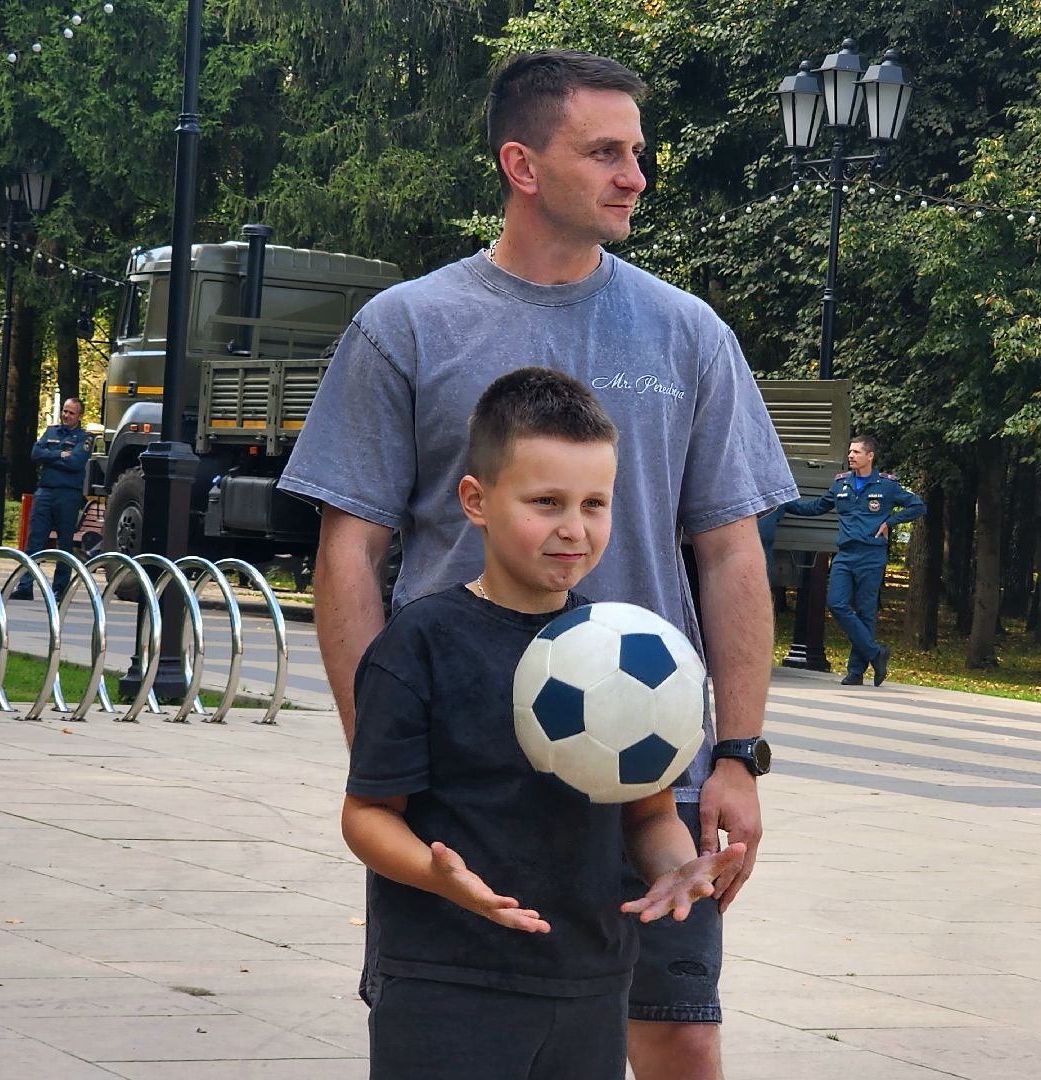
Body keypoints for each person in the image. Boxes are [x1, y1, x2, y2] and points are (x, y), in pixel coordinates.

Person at [279, 49, 796, 1079]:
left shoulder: (689, 334)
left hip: (650, 768)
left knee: (681, 1041)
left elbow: (731, 551)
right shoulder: (408, 329)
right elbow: (352, 551)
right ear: (522, 164)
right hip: (471, 782)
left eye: (636, 153)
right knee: (467, 1042)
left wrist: (737, 751)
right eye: (603, 152)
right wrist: (385, 754)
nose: (634, 176)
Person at [344, 368, 744, 1079]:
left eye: (595, 503)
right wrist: (440, 879)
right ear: (477, 500)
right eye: (546, 501)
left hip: (589, 980)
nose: (574, 527)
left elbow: (647, 815)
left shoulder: (628, 652)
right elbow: (367, 815)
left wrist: (676, 868)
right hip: (446, 980)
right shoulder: (421, 643)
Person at [783, 435, 926, 686]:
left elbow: (917, 506)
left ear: (870, 456)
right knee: (836, 603)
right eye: (850, 451)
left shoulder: (886, 485)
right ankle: (875, 653)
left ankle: (856, 672)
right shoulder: (841, 484)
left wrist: (890, 522)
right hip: (845, 554)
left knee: (865, 611)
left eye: (857, 452)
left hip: (871, 555)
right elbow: (816, 507)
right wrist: (784, 504)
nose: (850, 456)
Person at [10, 397, 92, 601]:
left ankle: (59, 589)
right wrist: (60, 454)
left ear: (79, 416)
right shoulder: (51, 431)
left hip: (68, 495)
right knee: (35, 540)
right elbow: (36, 454)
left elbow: (75, 462)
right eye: (65, 411)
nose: (66, 415)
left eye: (71, 413)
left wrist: (51, 455)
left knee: (64, 544)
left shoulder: (85, 438)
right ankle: (26, 586)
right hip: (45, 492)